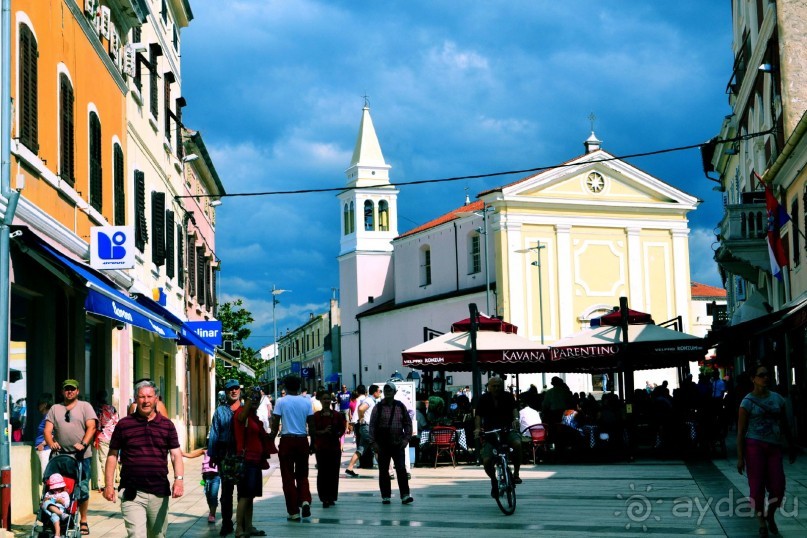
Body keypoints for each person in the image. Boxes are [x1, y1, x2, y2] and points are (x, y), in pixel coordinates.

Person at [103, 379, 183, 538]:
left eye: (149, 396)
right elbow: (112, 455)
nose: (145, 401)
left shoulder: (167, 425)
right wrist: (109, 485)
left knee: (157, 535)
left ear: (156, 398)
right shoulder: (124, 425)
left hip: (159, 491)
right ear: (135, 399)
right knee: (136, 535)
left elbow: (176, 454)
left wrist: (179, 479)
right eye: (141, 397)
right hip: (131, 492)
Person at [737, 364, 797, 537]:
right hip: (754, 446)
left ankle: (770, 514)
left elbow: (785, 424)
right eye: (761, 375)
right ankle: (761, 522)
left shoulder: (778, 399)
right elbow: (741, 432)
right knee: (757, 487)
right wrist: (740, 457)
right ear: (753, 378)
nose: (765, 377)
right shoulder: (746, 402)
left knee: (778, 486)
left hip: (774, 447)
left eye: (767, 374)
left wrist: (791, 446)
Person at [43, 379, 97, 536]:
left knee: (82, 489)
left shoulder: (85, 407)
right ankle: (60, 518)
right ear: (62, 391)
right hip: (60, 457)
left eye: (72, 389)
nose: (69, 391)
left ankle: (83, 519)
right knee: (57, 488)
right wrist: (51, 442)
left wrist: (84, 443)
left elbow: (91, 427)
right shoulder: (55, 408)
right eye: (67, 389)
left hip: (81, 456)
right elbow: (47, 430)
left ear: (77, 391)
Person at [270, 375, 316, 521]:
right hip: (302, 440)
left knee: (288, 477)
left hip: (287, 441)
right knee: (302, 475)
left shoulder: (280, 402)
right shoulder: (307, 402)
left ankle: (293, 512)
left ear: (285, 387)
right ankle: (304, 500)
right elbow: (312, 425)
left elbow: (275, 425)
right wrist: (313, 443)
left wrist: (269, 441)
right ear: (299, 386)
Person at [474, 377, 522, 498]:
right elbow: (478, 416)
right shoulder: (483, 398)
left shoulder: (508, 396)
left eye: (498, 386)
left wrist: (516, 420)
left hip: (506, 430)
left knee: (517, 444)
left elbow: (514, 409)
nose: (496, 388)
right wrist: (478, 428)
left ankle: (516, 473)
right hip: (490, 433)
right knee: (486, 461)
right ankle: (493, 480)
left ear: (502, 386)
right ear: (488, 386)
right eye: (493, 386)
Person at [234, 387, 272, 538]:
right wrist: (249, 401)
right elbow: (241, 419)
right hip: (246, 460)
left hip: (255, 460)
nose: (255, 401)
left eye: (257, 399)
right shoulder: (242, 414)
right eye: (252, 398)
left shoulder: (254, 416)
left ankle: (248, 526)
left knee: (250, 496)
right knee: (244, 495)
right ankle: (239, 530)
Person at [369, 382, 414, 505]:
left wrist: (406, 439)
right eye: (386, 390)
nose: (388, 392)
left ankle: (405, 495)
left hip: (398, 443)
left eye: (390, 390)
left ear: (394, 392)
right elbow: (372, 426)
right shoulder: (378, 407)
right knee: (383, 471)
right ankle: (386, 495)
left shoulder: (400, 406)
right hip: (382, 444)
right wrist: (373, 443)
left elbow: (408, 423)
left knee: (401, 469)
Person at [208, 379, 241, 536]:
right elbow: (214, 433)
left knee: (244, 492)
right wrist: (212, 455)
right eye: (230, 389)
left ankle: (243, 524)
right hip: (225, 455)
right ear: (226, 392)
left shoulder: (246, 409)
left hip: (243, 455)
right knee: (227, 492)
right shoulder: (220, 411)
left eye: (236, 389)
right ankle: (227, 523)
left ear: (240, 390)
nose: (234, 391)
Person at [312, 390, 346, 508]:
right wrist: (323, 431)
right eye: (324, 399)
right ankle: (324, 497)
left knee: (333, 472)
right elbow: (312, 431)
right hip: (321, 448)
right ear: (320, 400)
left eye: (328, 399)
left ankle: (332, 497)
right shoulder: (316, 416)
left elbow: (343, 428)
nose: (326, 401)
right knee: (322, 473)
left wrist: (337, 434)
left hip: (334, 447)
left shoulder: (337, 415)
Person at [345, 384, 380, 477]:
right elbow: (360, 409)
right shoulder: (369, 400)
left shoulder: (371, 400)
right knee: (376, 448)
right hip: (367, 427)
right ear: (375, 392)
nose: (380, 393)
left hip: (365, 427)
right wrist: (361, 418)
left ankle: (349, 468)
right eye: (379, 391)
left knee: (361, 449)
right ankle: (384, 470)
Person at [182, 446, 221, 525]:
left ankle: (212, 514)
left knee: (213, 495)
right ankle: (211, 511)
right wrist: (182, 454)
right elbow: (193, 455)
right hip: (206, 477)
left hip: (216, 476)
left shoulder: (220, 450)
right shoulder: (205, 451)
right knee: (208, 495)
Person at [94, 389, 119, 492]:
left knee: (104, 460)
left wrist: (95, 438)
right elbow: (117, 422)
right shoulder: (112, 408)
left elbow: (98, 425)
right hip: (113, 436)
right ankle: (114, 480)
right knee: (113, 457)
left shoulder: (98, 409)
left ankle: (108, 484)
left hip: (103, 436)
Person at [41, 472, 71, 538]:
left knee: (54, 515)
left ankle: (57, 535)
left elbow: (67, 505)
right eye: (54, 489)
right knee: (46, 503)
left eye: (58, 488)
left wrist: (61, 502)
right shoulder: (48, 493)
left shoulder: (64, 494)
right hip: (48, 510)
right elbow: (44, 503)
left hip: (60, 509)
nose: (56, 490)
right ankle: (61, 515)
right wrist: (52, 500)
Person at [34, 393, 53, 477]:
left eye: (40, 404)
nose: (38, 406)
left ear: (45, 404)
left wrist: (43, 444)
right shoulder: (46, 416)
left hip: (45, 449)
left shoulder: (48, 417)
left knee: (46, 476)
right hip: (43, 449)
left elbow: (54, 433)